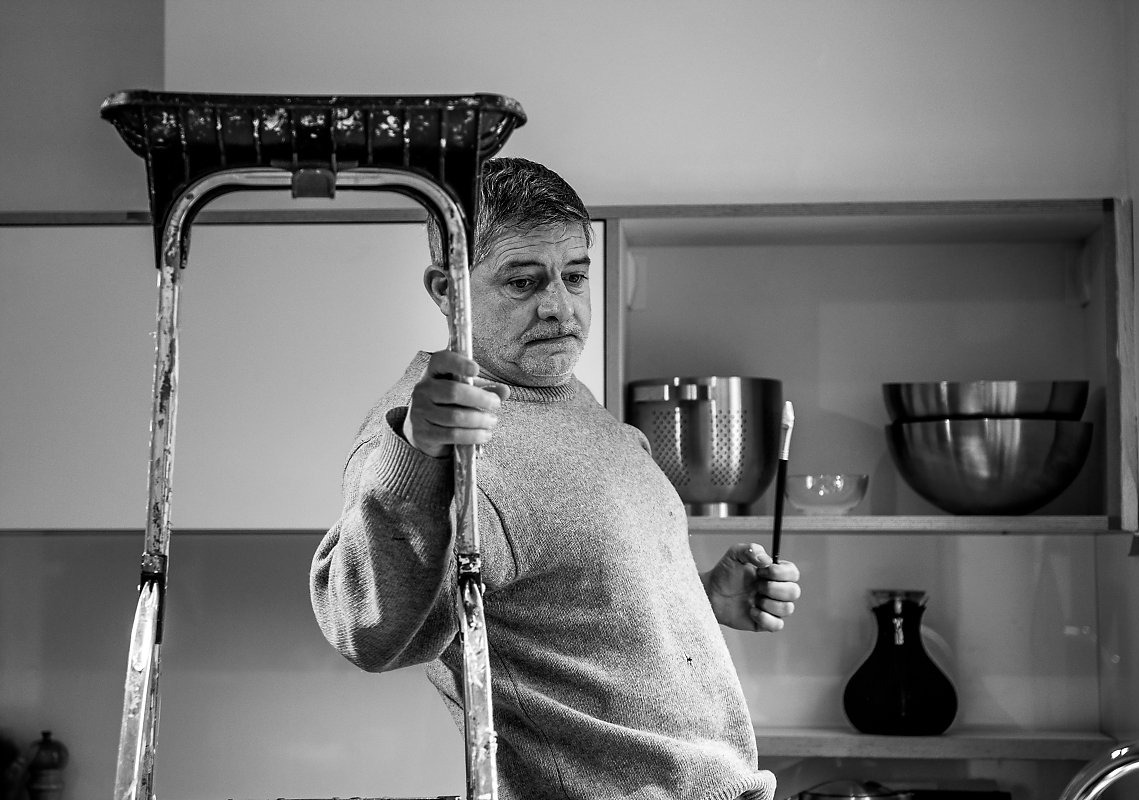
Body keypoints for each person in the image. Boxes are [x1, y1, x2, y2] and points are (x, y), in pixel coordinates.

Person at [309, 157, 802, 800]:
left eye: (574, 276)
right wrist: (415, 449)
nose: (559, 308)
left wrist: (700, 597)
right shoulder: (434, 428)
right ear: (445, 288)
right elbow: (366, 631)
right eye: (523, 282)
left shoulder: (557, 394)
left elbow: (555, 597)